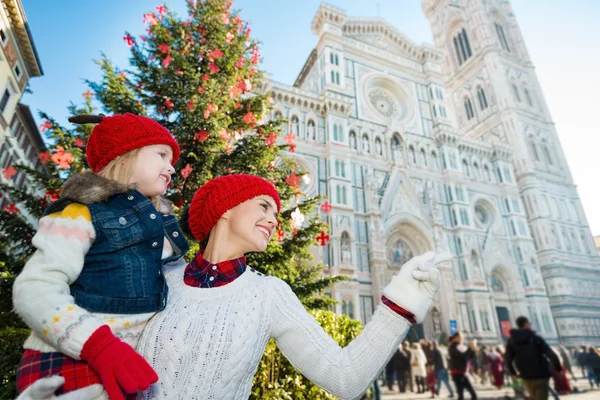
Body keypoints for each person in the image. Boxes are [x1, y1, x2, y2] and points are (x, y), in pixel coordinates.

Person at [135, 174, 452, 399]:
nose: (274, 220)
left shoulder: (269, 294)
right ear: (226, 209)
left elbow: (345, 378)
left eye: (276, 213)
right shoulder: (161, 276)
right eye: (263, 207)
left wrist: (400, 304)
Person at [12, 113, 189, 400]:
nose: (171, 167)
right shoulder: (80, 214)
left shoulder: (160, 228)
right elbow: (34, 289)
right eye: (161, 154)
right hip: (69, 361)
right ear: (126, 155)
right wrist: (99, 346)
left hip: (125, 369)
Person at [505, 316, 562, 400]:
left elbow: (508, 360)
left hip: (526, 376)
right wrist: (558, 369)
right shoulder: (536, 338)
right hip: (541, 375)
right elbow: (551, 354)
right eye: (529, 323)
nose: (530, 325)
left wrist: (514, 373)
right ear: (525, 324)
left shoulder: (511, 341)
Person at [448, 332, 477, 400]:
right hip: (457, 373)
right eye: (460, 337)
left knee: (473, 394)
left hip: (463, 373)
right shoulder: (453, 347)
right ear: (455, 338)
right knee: (461, 395)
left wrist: (473, 349)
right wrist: (470, 347)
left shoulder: (461, 346)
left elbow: (469, 357)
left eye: (462, 337)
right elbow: (464, 356)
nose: (462, 339)